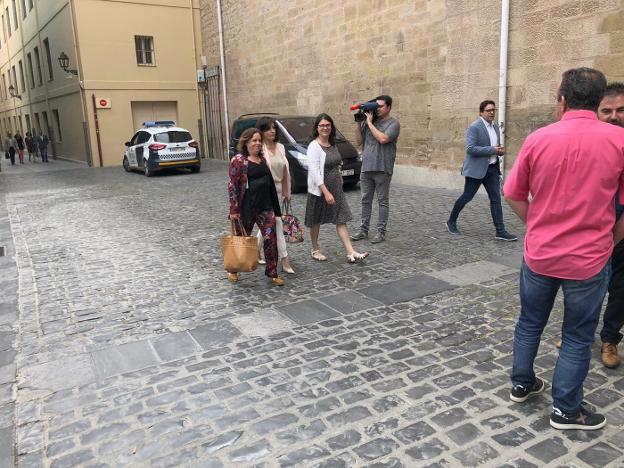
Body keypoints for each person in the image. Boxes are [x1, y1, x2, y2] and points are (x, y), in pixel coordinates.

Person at [504, 68, 624, 430]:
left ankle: (522, 384)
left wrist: (538, 227)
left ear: (561, 100)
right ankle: (566, 410)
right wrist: (611, 239)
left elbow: (512, 192)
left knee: (529, 323)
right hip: (589, 259)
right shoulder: (619, 142)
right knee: (577, 334)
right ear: (599, 100)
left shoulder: (539, 138)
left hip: (540, 254)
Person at [446, 100, 517, 241]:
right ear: (481, 112)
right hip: (476, 170)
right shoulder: (475, 127)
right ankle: (451, 221)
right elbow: (470, 149)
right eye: (488, 110)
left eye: (493, 110)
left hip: (492, 169)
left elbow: (493, 147)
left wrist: (498, 151)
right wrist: (492, 150)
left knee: (496, 199)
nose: (491, 113)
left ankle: (500, 231)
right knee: (467, 196)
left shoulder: (495, 127)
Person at [305, 113, 369, 263]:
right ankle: (315, 250)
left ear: (331, 127)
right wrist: (325, 192)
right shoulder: (314, 146)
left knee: (341, 218)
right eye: (322, 125)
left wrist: (339, 175)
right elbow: (314, 171)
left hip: (335, 187)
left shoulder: (332, 144)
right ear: (317, 128)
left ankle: (350, 252)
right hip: (320, 189)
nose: (325, 128)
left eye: (328, 125)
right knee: (316, 219)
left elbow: (336, 162)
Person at [228, 127, 284, 286]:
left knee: (270, 239)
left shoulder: (263, 160)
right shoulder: (238, 161)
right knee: (240, 240)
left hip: (265, 208)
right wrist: (234, 209)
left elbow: (270, 185)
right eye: (254, 140)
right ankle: (232, 269)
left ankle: (272, 273)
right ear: (246, 142)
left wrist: (276, 209)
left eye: (259, 140)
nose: (258, 143)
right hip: (245, 209)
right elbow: (232, 186)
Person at [597, 82, 624, 368]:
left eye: (620, 110)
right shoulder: (592, 144)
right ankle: (577, 332)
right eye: (607, 110)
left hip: (623, 232)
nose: (614, 115)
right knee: (584, 284)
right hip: (593, 231)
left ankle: (610, 339)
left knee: (620, 288)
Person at [351, 95, 400, 244]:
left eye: (381, 106)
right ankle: (363, 230)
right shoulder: (368, 122)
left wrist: (370, 123)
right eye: (376, 106)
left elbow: (383, 139)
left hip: (383, 168)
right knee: (365, 200)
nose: (377, 109)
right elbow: (359, 142)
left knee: (382, 201)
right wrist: (359, 123)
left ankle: (381, 232)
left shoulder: (393, 123)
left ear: (389, 107)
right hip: (366, 167)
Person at [255, 116, 295, 274]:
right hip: (265, 192)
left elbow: (285, 172)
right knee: (277, 222)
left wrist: (286, 191)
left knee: (268, 224)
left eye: (273, 128)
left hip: (279, 190)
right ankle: (284, 260)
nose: (272, 131)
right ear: (261, 132)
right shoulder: (260, 148)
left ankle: (255, 251)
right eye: (268, 128)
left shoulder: (281, 147)